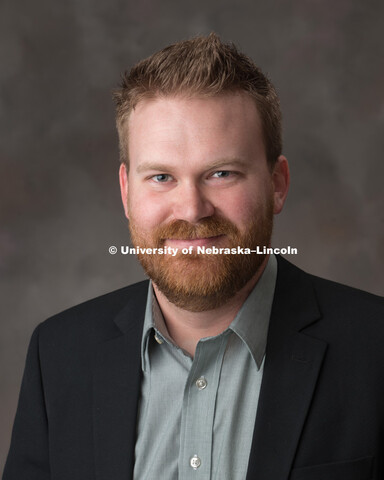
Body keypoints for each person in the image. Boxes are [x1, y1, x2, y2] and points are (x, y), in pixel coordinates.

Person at [3, 33, 384, 480]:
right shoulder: (59, 354)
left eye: (222, 173)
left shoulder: (374, 349)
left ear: (277, 184)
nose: (191, 210)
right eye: (162, 177)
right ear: (127, 192)